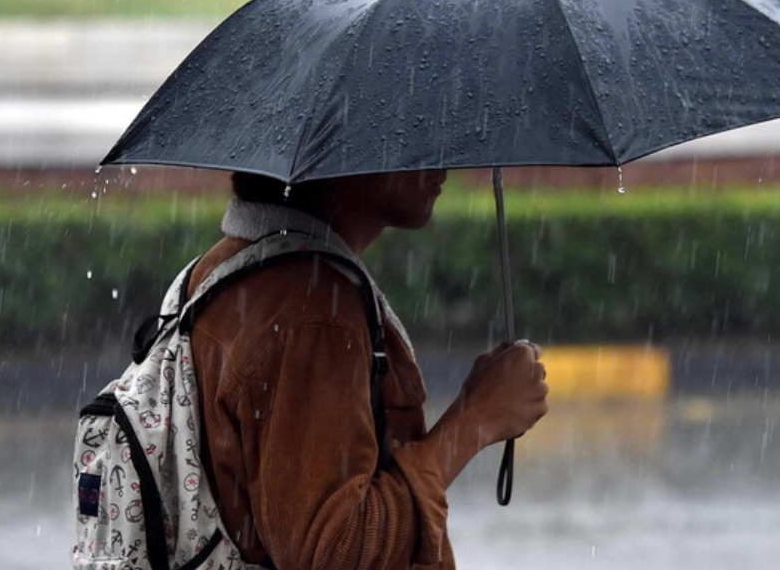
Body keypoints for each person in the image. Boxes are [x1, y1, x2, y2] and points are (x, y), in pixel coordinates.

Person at [185, 169, 549, 570]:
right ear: (345, 163)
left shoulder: (229, 265)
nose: (442, 163)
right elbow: (337, 552)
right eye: (415, 134)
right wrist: (474, 421)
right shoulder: (312, 312)